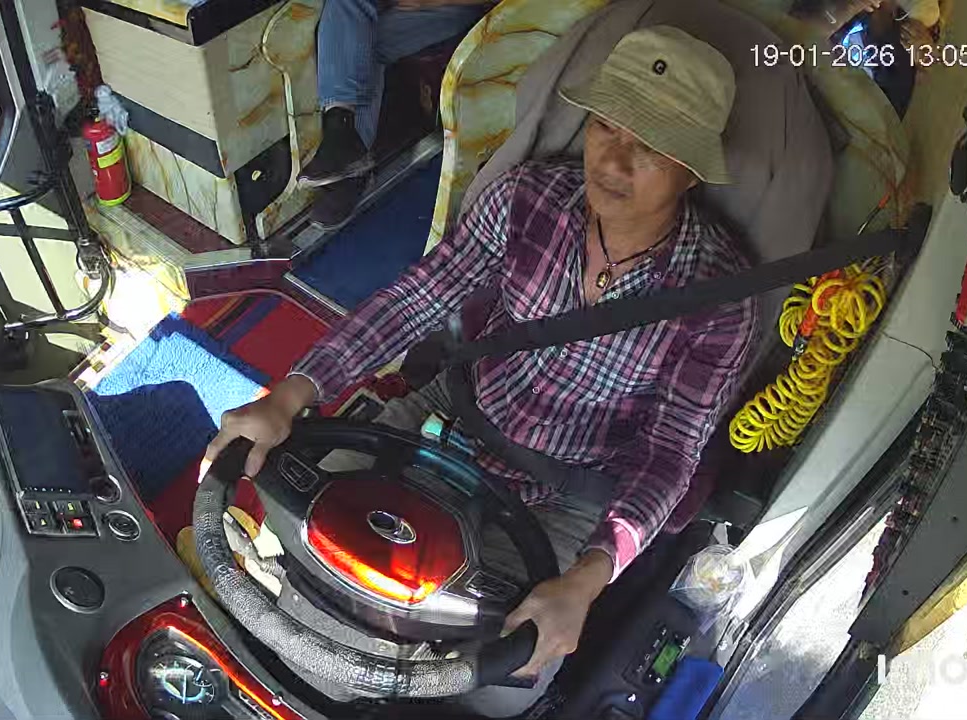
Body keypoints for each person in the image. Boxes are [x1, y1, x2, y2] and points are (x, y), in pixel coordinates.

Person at [206, 26, 758, 715]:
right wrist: (289, 394)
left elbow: (670, 454)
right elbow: (417, 299)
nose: (613, 160)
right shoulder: (526, 198)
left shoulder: (720, 298)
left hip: (568, 489)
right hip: (454, 413)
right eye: (604, 127)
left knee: (504, 690)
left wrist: (587, 580)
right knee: (304, 526)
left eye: (646, 147)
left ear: (692, 171)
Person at [298, 0, 493, 230]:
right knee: (346, 22)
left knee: (358, 42)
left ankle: (349, 151)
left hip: (458, 9)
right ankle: (344, 139)